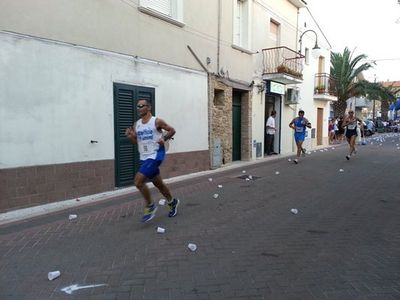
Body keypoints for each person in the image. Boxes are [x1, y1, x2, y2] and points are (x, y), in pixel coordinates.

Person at [125, 99, 179, 222]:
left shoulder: (157, 121)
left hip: (156, 155)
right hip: (144, 157)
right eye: (137, 106)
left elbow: (172, 130)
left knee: (138, 182)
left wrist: (164, 138)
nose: (138, 108)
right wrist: (130, 136)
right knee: (158, 183)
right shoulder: (137, 124)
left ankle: (150, 206)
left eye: (141, 106)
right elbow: (137, 141)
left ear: (148, 107)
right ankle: (172, 201)